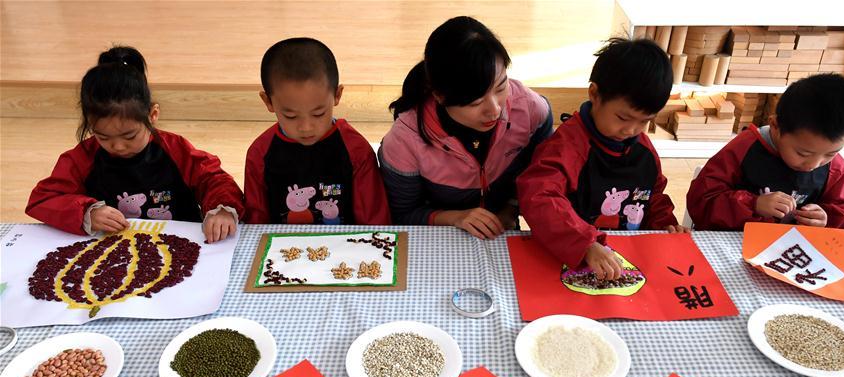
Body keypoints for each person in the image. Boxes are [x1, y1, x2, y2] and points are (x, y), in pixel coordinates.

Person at [27, 46, 242, 242]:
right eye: (103, 137)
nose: (118, 146)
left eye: (129, 136)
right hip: (112, 254)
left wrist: (222, 210)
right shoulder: (82, 159)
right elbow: (43, 199)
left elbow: (214, 180)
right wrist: (86, 213)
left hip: (182, 246)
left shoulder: (175, 149)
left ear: (152, 114)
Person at [518, 37, 684, 278]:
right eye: (623, 118)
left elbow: (652, 194)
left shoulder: (643, 149)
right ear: (594, 94)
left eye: (645, 121)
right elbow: (538, 196)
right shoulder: (567, 146)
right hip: (573, 259)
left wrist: (664, 225)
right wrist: (585, 243)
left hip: (629, 260)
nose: (631, 130)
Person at [379, 16, 552, 239]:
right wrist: (455, 217)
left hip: (501, 233)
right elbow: (402, 215)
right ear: (440, 96)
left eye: (501, 87)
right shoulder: (405, 140)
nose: (495, 110)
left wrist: (510, 209)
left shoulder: (531, 111)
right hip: (436, 238)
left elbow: (540, 177)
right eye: (475, 102)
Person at [244, 37, 390, 225]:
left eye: (319, 113)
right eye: (291, 116)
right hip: (281, 251)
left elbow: (375, 220)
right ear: (268, 102)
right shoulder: (260, 154)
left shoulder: (356, 150)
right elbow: (255, 224)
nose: (306, 127)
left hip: (348, 248)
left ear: (337, 95)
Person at [687, 73, 844, 231]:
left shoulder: (835, 167)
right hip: (736, 243)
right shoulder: (744, 149)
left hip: (792, 251)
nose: (813, 165)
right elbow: (701, 202)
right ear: (775, 126)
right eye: (803, 154)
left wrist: (827, 219)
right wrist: (753, 204)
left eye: (830, 154)